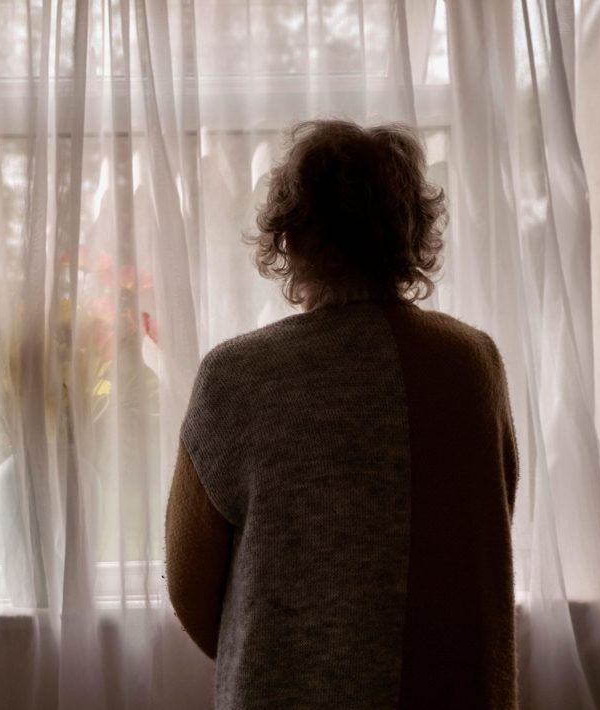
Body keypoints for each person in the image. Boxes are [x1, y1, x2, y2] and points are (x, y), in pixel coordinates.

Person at [164, 120, 519, 709]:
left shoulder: (237, 376)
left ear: (291, 237)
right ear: (411, 233)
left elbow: (191, 582)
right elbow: (488, 522)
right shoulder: (472, 363)